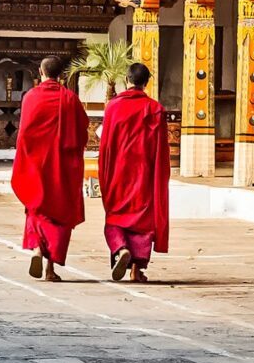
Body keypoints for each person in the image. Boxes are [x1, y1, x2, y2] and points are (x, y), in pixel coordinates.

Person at [12, 56, 89, 281]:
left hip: (36, 165)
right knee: (59, 214)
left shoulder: (31, 97)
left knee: (36, 208)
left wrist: (25, 160)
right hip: (62, 168)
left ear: (40, 72)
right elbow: (82, 132)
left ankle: (37, 248)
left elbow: (24, 134)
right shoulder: (71, 99)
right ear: (62, 74)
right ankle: (50, 269)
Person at [97, 62, 170, 283]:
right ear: (146, 83)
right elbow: (161, 150)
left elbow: (106, 145)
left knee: (115, 215)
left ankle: (121, 248)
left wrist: (104, 173)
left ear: (126, 80)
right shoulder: (156, 109)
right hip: (144, 174)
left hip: (118, 172)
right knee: (142, 222)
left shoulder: (113, 107)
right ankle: (136, 270)